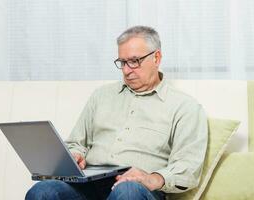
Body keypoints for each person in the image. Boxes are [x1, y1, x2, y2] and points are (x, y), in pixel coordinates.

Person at [25, 26, 208, 200]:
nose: (127, 70)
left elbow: (188, 168)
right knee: (43, 190)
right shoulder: (101, 96)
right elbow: (76, 143)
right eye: (122, 62)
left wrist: (151, 178)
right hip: (89, 184)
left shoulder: (185, 107)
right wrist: (75, 155)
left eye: (135, 61)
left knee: (127, 192)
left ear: (157, 57)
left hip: (137, 189)